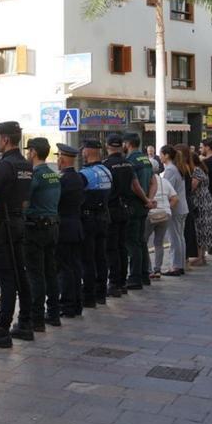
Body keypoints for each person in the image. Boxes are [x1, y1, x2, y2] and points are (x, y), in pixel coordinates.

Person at [0, 121, 34, 346]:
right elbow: (24, 200)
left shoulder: (3, 166)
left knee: (6, 278)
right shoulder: (26, 165)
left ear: (6, 139)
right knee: (21, 273)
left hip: (2, 225)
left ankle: (2, 330)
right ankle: (26, 322)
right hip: (18, 221)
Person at [23, 138, 61, 330]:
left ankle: (36, 319)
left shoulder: (35, 176)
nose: (27, 155)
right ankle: (54, 313)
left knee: (35, 274)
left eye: (28, 151)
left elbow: (24, 202)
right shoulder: (53, 175)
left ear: (34, 152)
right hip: (52, 227)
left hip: (36, 229)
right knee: (50, 271)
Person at [79, 139, 112, 308]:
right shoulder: (106, 171)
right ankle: (101, 293)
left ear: (88, 151)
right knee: (101, 257)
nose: (82, 153)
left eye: (83, 150)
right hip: (103, 218)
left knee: (88, 259)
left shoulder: (85, 174)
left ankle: (89, 296)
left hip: (88, 220)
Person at [54, 144, 86, 318]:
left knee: (64, 269)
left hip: (64, 228)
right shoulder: (79, 178)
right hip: (77, 227)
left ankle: (66, 304)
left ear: (62, 159)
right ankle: (76, 304)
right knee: (75, 267)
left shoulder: (63, 181)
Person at [123, 133, 157, 290]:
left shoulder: (130, 161)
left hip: (134, 205)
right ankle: (144, 275)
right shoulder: (146, 160)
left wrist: (145, 200)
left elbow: (134, 186)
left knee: (132, 242)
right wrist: (149, 200)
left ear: (128, 144)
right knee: (141, 240)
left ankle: (135, 277)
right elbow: (153, 182)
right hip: (144, 206)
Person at [103, 134, 133, 298]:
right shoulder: (128, 163)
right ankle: (122, 281)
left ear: (107, 146)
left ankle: (114, 283)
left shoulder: (107, 165)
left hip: (112, 209)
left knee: (112, 248)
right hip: (126, 208)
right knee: (122, 246)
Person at [159, 145, 189, 277]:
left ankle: (176, 266)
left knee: (174, 238)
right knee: (180, 237)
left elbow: (167, 190)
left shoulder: (170, 170)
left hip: (175, 208)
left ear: (166, 155)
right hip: (182, 207)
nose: (160, 157)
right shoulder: (177, 168)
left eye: (161, 154)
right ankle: (180, 264)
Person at [145, 171, 178, 279]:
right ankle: (157, 269)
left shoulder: (146, 182)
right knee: (159, 242)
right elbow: (175, 198)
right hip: (165, 214)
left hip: (151, 214)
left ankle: (149, 269)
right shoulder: (165, 182)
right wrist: (167, 208)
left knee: (143, 241)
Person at [187, 153, 212, 266]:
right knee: (204, 228)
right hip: (205, 201)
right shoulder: (201, 170)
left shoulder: (196, 171)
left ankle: (199, 256)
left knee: (199, 228)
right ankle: (202, 256)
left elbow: (192, 187)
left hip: (200, 202)